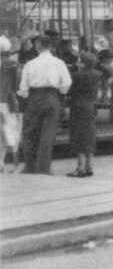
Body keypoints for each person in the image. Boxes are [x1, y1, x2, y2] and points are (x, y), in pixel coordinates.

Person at [16, 34, 72, 174]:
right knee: (48, 133)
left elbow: (23, 87)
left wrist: (24, 96)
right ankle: (43, 167)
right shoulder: (59, 63)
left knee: (29, 132)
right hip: (52, 96)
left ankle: (30, 165)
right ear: (51, 46)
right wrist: (60, 92)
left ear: (38, 45)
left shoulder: (30, 64)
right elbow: (66, 83)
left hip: (34, 97)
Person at [66, 52, 101, 177]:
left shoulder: (76, 75)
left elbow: (70, 91)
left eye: (79, 61)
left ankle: (80, 168)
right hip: (91, 106)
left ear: (83, 63)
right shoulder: (97, 75)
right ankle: (89, 166)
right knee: (89, 135)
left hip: (78, 106)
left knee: (78, 135)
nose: (77, 62)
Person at [1, 36, 22, 171]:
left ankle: (0, 163)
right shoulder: (13, 64)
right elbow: (17, 84)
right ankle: (15, 166)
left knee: (0, 133)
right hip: (8, 101)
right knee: (13, 131)